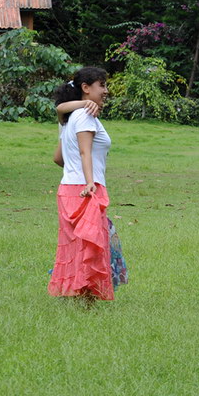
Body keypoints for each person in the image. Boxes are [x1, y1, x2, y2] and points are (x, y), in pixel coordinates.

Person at [48, 67, 114, 304]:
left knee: (74, 246)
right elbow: (86, 151)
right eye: (102, 85)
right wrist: (88, 182)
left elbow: (58, 158)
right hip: (86, 188)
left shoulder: (69, 117)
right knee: (91, 246)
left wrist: (74, 172)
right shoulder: (85, 115)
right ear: (86, 88)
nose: (106, 91)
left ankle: (74, 296)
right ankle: (87, 302)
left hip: (68, 188)